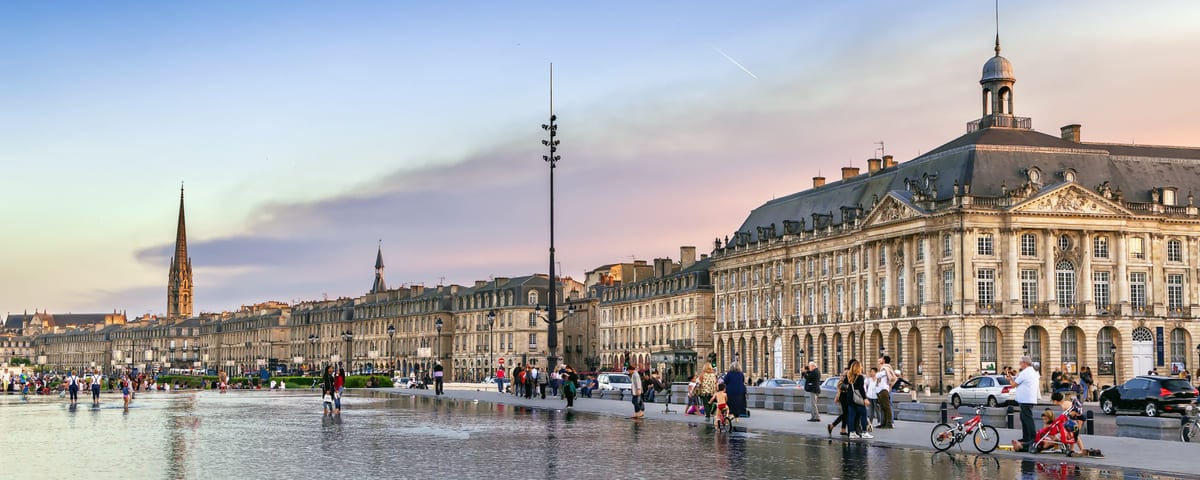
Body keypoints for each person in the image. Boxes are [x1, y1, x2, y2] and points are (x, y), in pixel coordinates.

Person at [1008, 355, 1041, 449]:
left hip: (1025, 399)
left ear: (1025, 363)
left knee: (1027, 419)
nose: (1020, 364)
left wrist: (1010, 379)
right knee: (1024, 418)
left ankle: (1032, 438)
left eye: (1020, 362)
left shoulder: (1025, 372)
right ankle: (1026, 438)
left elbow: (1014, 385)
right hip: (1028, 398)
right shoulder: (1032, 371)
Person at [845, 359, 872, 439]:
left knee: (851, 416)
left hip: (850, 398)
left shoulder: (848, 376)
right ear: (858, 368)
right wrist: (865, 398)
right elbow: (861, 389)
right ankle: (864, 432)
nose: (862, 367)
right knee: (864, 415)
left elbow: (844, 385)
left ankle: (852, 432)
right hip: (858, 398)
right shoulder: (860, 377)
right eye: (861, 366)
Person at [875, 355, 897, 428]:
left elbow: (879, 375)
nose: (880, 360)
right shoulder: (884, 367)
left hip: (884, 389)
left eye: (881, 359)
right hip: (881, 389)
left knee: (887, 407)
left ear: (884, 360)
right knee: (883, 407)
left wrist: (875, 374)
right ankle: (884, 422)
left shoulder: (885, 368)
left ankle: (889, 423)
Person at [864, 367, 879, 431]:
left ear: (876, 372)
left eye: (872, 372)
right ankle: (870, 422)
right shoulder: (869, 379)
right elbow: (864, 384)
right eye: (871, 372)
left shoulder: (878, 379)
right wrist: (867, 377)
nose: (871, 373)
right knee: (871, 410)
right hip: (870, 395)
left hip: (876, 396)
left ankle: (879, 422)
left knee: (877, 409)